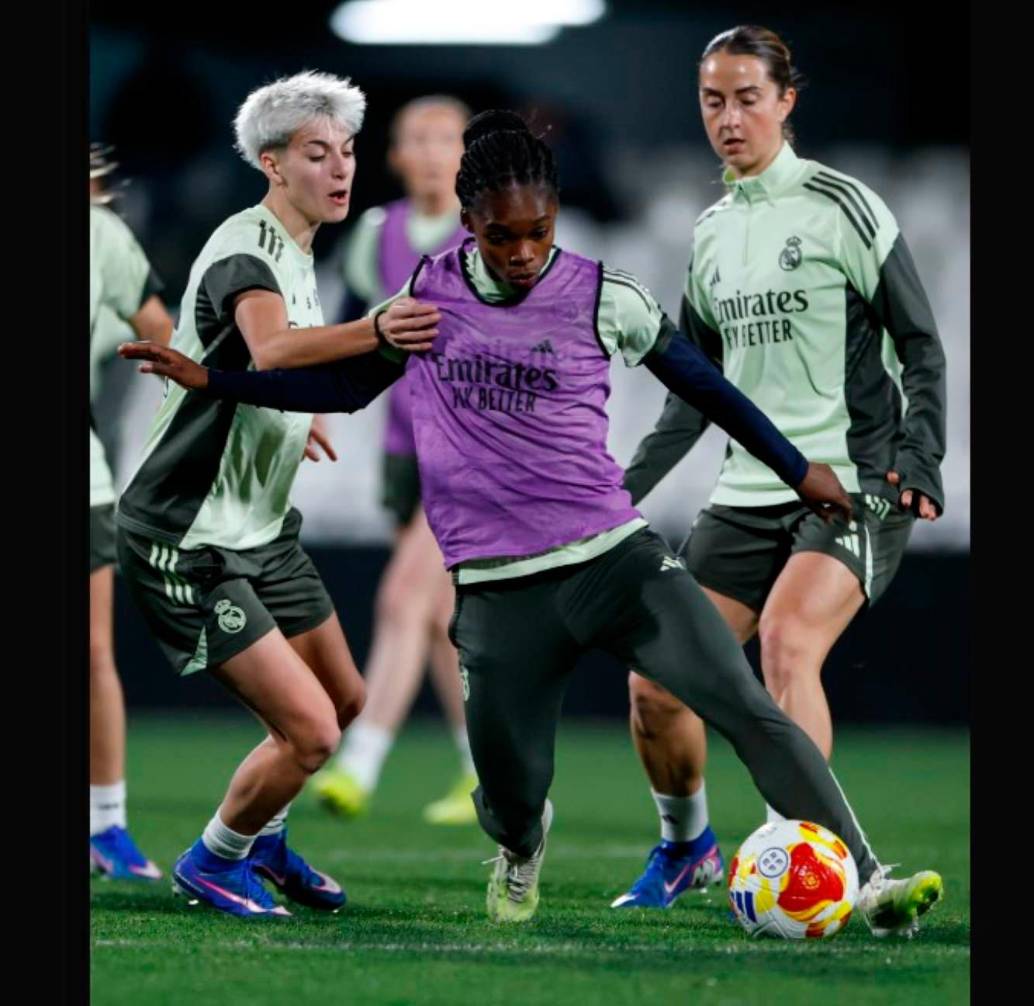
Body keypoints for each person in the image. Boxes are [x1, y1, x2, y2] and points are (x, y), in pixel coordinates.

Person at [121, 109, 943, 937]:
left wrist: (799, 469)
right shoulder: (430, 294)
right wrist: (214, 382)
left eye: (538, 233)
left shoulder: (603, 293)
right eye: (502, 236)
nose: (522, 253)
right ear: (470, 222)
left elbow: (708, 387)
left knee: (745, 703)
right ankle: (521, 845)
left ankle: (870, 880)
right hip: (498, 589)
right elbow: (342, 389)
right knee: (509, 800)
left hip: (617, 561)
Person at [610, 25, 948, 911]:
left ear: (786, 101)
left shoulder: (845, 205)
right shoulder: (713, 234)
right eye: (713, 100)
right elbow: (693, 394)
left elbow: (920, 345)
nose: (728, 118)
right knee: (655, 687)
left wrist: (922, 456)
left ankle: (826, 870)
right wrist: (612, 495)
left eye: (747, 97)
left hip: (854, 485)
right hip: (747, 493)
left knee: (788, 644)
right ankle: (688, 848)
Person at [114, 70, 440, 919]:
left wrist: (295, 422)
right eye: (315, 154)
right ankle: (213, 860)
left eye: (348, 153)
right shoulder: (247, 248)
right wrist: (375, 328)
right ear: (271, 163)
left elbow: (270, 370)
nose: (340, 170)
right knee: (312, 733)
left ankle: (264, 841)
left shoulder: (298, 253)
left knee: (346, 700)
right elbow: (270, 349)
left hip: (260, 528)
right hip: (187, 535)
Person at [312, 96, 478, 825]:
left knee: (402, 598)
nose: (434, 150)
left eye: (448, 137)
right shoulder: (377, 233)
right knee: (442, 618)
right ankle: (486, 773)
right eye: (419, 137)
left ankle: (360, 762)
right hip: (404, 452)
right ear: (396, 155)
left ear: (469, 154)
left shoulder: (490, 232)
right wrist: (313, 399)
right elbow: (346, 328)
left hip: (474, 453)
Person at [89, 145, 174, 881]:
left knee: (90, 652)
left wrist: (265, 403)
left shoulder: (101, 235)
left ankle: (105, 826)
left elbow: (169, 338)